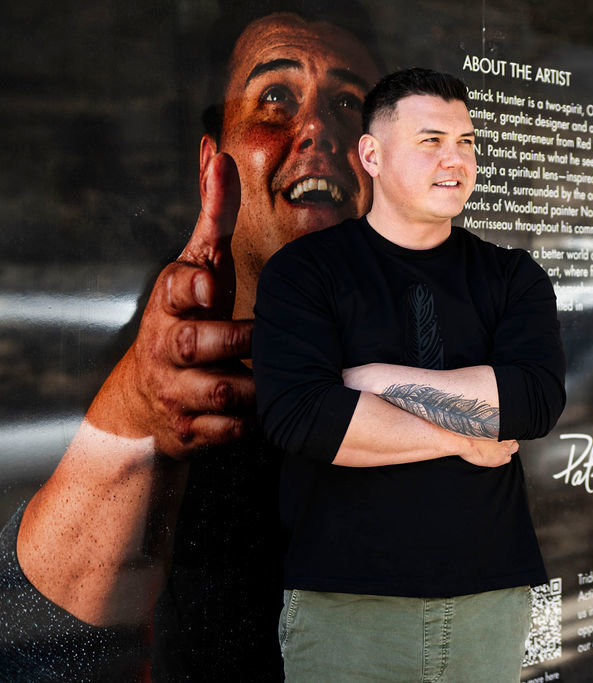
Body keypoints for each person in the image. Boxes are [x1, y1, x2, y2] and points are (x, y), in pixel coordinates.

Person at [0, 4, 378, 680]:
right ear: (215, 163)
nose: (318, 126)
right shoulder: (159, 373)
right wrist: (139, 412)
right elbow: (35, 644)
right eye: (275, 99)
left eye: (350, 103)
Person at [252, 67, 566, 681]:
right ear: (370, 153)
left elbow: (531, 401)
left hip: (491, 595)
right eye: (432, 141)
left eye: (467, 141)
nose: (456, 159)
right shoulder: (305, 273)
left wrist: (372, 379)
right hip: (346, 602)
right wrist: (462, 435)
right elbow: (304, 417)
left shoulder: (512, 276)